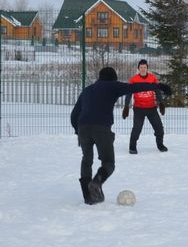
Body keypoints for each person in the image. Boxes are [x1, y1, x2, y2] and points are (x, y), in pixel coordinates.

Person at [71, 67, 171, 204]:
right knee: (108, 163)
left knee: (86, 160)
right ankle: (96, 182)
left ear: (100, 77)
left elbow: (74, 115)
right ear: (113, 78)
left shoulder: (87, 90)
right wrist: (158, 86)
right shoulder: (113, 86)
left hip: (83, 128)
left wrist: (78, 131)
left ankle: (88, 196)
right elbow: (136, 87)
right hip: (102, 128)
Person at [123, 59, 167, 154]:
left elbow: (157, 91)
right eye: (141, 67)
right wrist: (126, 106)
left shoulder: (152, 78)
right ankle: (132, 147)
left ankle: (160, 145)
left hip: (151, 108)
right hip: (139, 109)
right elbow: (128, 93)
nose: (143, 69)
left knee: (159, 128)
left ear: (147, 68)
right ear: (138, 68)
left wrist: (161, 103)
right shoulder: (134, 80)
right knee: (137, 128)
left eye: (144, 67)